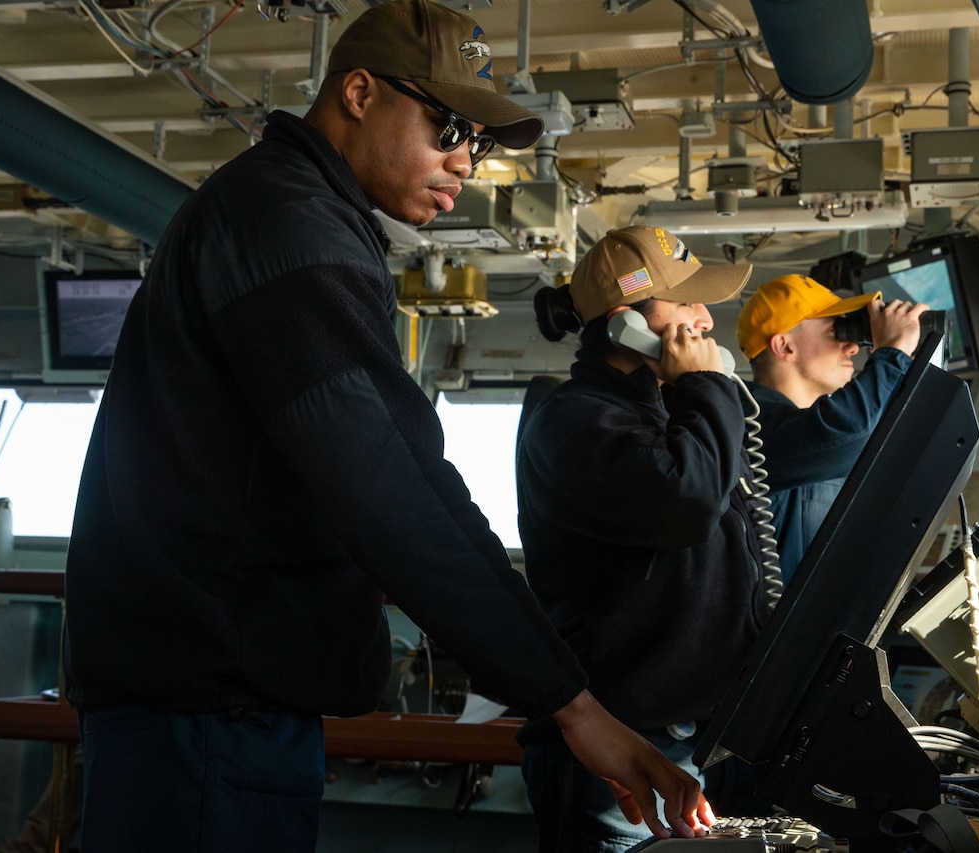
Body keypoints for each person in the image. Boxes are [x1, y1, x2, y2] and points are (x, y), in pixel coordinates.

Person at [60, 3, 711, 851]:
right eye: (449, 127)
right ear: (359, 93)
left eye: (476, 142)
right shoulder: (289, 224)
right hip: (209, 716)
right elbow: (393, 481)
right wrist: (571, 704)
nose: (464, 162)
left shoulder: (289, 213)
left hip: (213, 703)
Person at [517, 225, 777, 852]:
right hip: (621, 747)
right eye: (686, 301)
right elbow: (684, 504)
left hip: (700, 735)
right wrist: (706, 387)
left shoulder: (664, 416)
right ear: (625, 320)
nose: (704, 318)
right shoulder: (574, 419)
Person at [735, 274, 928, 580]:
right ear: (784, 346)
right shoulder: (745, 425)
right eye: (835, 331)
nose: (852, 347)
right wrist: (893, 354)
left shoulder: (823, 433)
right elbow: (848, 430)